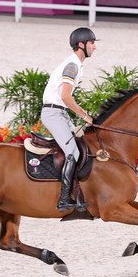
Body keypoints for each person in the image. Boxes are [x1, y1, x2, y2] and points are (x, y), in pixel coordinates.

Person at [41, 27, 98, 212]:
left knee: (82, 144)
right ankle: (64, 199)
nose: (94, 47)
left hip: (61, 112)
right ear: (81, 45)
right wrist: (84, 115)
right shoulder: (72, 65)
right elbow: (66, 96)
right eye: (91, 43)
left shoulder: (76, 64)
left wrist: (84, 114)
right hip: (53, 113)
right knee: (72, 151)